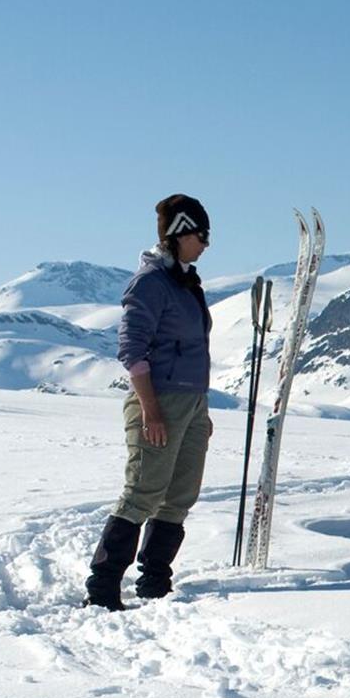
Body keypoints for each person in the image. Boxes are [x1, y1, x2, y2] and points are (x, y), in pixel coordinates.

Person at [82, 194, 215, 611]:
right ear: (178, 234)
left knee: (179, 496)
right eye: (200, 234)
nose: (206, 244)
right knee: (143, 492)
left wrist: (200, 410)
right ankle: (103, 588)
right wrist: (151, 410)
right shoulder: (150, 283)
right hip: (158, 400)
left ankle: (155, 582)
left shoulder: (185, 282)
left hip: (192, 402)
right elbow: (131, 348)